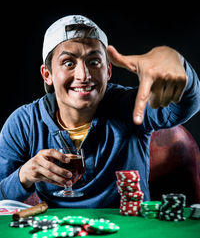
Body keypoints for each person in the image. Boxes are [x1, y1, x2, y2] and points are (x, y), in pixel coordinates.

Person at [0, 15, 199, 208]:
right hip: (60, 237)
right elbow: (1, 195)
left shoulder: (131, 105)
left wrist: (179, 66)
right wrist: (23, 176)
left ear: (108, 71)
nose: (84, 75)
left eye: (94, 62)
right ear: (47, 74)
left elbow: (186, 105)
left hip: (131, 234)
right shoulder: (23, 123)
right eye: (69, 63)